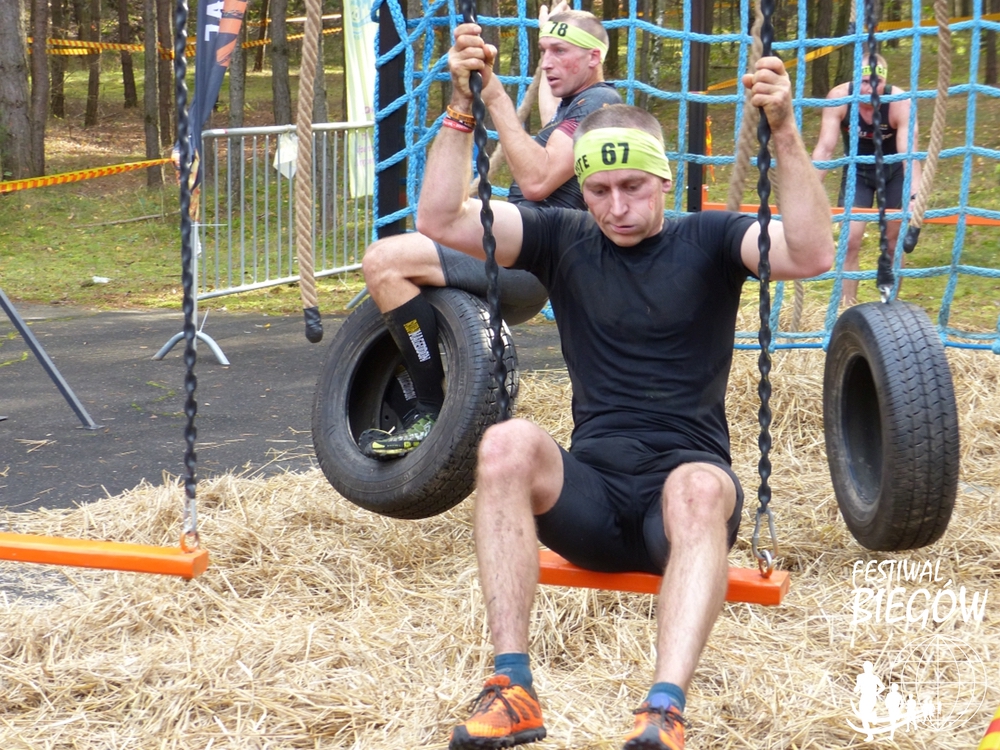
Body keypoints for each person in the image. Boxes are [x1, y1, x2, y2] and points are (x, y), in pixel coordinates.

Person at [415, 24, 834, 750]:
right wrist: (461, 106)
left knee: (697, 487)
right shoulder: (563, 237)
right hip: (595, 504)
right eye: (599, 190)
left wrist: (786, 132)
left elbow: (811, 251)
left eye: (633, 187)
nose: (615, 208)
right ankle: (512, 689)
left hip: (684, 507)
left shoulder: (711, 240)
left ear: (663, 179)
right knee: (507, 443)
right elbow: (440, 218)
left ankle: (663, 710)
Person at [358, 5, 622, 458]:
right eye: (543, 51)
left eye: (560, 51)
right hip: (526, 256)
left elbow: (538, 179)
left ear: (594, 57)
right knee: (401, 276)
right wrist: (551, 30)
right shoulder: (575, 107)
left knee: (383, 261)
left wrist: (493, 93)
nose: (547, 62)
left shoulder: (599, 103)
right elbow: (551, 113)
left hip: (528, 259)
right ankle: (417, 392)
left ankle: (428, 408)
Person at [811, 50, 922, 306]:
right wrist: (808, 191)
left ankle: (890, 308)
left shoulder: (900, 102)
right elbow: (825, 149)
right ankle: (847, 309)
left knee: (893, 244)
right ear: (854, 80)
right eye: (863, 81)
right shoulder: (839, 97)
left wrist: (915, 197)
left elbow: (910, 156)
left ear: (885, 82)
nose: (870, 88)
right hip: (857, 172)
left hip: (893, 173)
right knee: (850, 241)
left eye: (877, 82)